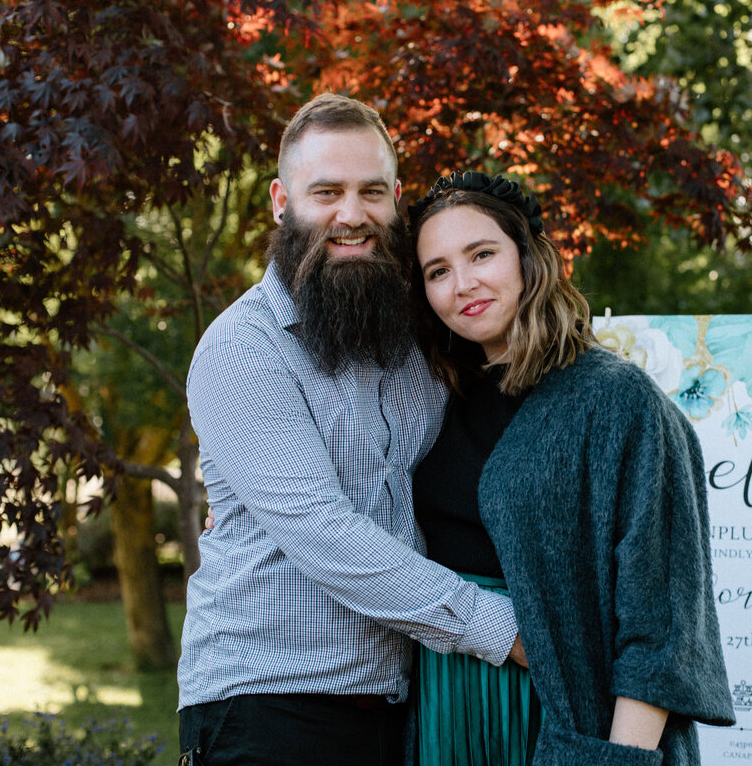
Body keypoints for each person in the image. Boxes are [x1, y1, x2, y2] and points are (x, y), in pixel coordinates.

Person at [177, 97, 523, 766]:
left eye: (371, 192)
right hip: (268, 711)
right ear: (282, 201)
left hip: (405, 710)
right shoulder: (243, 350)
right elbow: (322, 530)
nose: (351, 214)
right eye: (326, 192)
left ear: (396, 198)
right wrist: (501, 628)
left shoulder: (416, 340)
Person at [407, 171, 735, 765]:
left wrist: (613, 761)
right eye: (437, 271)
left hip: (564, 721)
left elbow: (660, 629)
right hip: (444, 713)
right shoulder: (432, 399)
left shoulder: (616, 399)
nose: (463, 284)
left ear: (531, 260)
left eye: (482, 254)